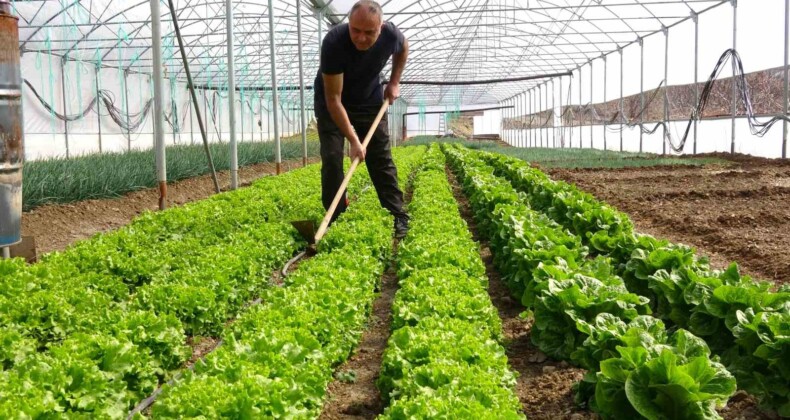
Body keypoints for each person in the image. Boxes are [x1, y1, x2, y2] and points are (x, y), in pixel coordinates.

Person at [313, 0, 410, 239]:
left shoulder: (391, 35)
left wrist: (395, 82)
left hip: (368, 98)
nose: (361, 38)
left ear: (381, 27)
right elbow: (334, 100)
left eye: (369, 32)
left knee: (380, 156)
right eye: (355, 30)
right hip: (333, 101)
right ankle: (336, 217)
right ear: (349, 23)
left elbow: (403, 48)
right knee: (333, 157)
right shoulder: (334, 43)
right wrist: (354, 140)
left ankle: (397, 215)